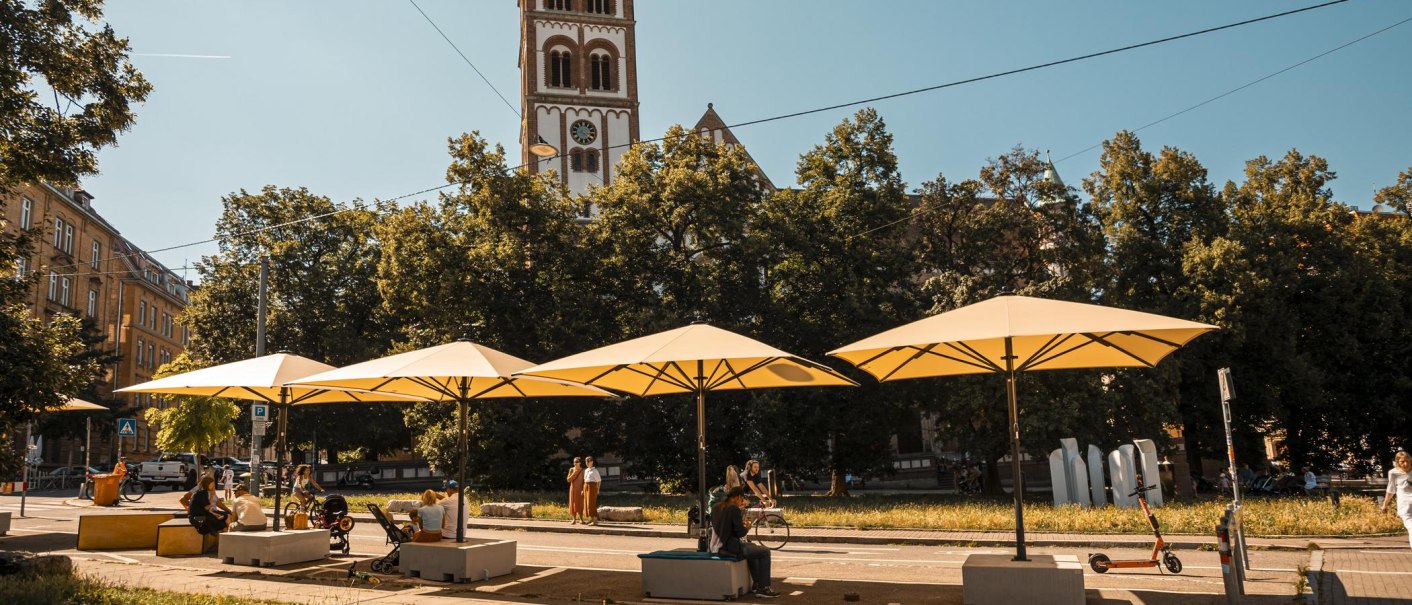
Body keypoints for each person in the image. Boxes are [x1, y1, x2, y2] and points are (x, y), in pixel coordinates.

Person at [710, 487, 779, 598]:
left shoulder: (716, 507)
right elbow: (740, 533)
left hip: (715, 546)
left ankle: (757, 584)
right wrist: (747, 527)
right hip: (728, 547)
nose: (741, 503)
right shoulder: (733, 508)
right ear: (738, 497)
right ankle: (764, 587)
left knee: (753, 548)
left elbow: (724, 526)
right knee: (765, 552)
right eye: (742, 500)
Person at [1380, 450, 1412, 549]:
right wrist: (1385, 504)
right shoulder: (1393, 473)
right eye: (1402, 462)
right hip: (1405, 505)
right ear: (1398, 462)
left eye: (1407, 461)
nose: (1405, 464)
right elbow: (1391, 489)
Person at [582, 456, 602, 525]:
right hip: (586, 486)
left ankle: (595, 521)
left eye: (588, 461)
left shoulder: (595, 471)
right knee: (587, 503)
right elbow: (585, 480)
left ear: (592, 462)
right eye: (586, 461)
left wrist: (598, 489)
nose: (587, 463)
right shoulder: (586, 470)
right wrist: (583, 489)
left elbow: (599, 481)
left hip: (592, 487)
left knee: (591, 504)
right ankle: (591, 519)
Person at [567, 457, 586, 525]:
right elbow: (568, 480)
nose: (575, 463)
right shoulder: (571, 469)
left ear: (580, 463)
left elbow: (584, 481)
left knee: (580, 504)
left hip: (580, 489)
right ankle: (574, 519)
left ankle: (581, 519)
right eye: (574, 462)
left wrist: (583, 490)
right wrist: (574, 473)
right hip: (573, 489)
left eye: (577, 462)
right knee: (573, 503)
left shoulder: (583, 471)